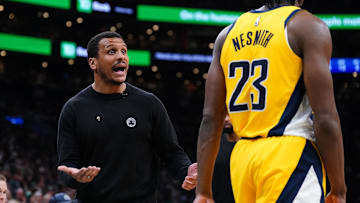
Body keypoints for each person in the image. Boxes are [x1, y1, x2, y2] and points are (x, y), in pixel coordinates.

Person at [194, 0, 346, 202]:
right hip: (290, 156)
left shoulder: (226, 35)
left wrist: (203, 192)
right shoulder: (307, 26)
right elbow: (325, 117)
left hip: (243, 160)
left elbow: (210, 118)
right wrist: (338, 188)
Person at [57, 31, 197, 202]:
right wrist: (75, 177)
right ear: (93, 62)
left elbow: (171, 152)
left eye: (124, 51)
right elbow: (66, 166)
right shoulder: (74, 108)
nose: (121, 57)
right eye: (111, 51)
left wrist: (186, 170)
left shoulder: (149, 103)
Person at [212, 114, 237, 203]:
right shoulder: (213, 143)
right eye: (224, 115)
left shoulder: (251, 144)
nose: (226, 119)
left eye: (230, 115)